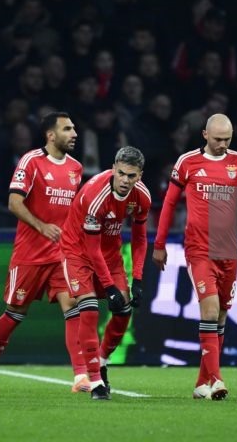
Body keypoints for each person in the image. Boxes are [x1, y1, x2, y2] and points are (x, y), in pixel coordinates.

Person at [153, 114, 237, 401]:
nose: (222, 144)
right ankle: (217, 379)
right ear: (205, 134)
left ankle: (201, 383)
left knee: (219, 317)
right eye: (217, 139)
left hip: (229, 251)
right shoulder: (187, 163)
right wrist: (159, 243)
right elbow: (170, 202)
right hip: (199, 250)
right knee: (209, 311)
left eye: (227, 139)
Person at [0, 112, 86, 393]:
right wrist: (41, 226)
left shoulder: (76, 168)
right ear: (51, 135)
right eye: (67, 129)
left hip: (61, 253)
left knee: (72, 306)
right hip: (30, 253)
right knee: (15, 312)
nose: (74, 134)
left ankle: (81, 377)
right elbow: (13, 202)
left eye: (74, 129)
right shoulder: (31, 161)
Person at [59, 146, 151, 400]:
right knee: (89, 309)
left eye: (131, 176)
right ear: (113, 169)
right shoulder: (95, 195)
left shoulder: (142, 197)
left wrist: (139, 279)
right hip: (78, 252)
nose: (125, 180)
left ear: (139, 176)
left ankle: (100, 361)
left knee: (123, 312)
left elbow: (140, 238)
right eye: (121, 173)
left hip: (110, 255)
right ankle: (96, 381)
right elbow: (91, 248)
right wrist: (110, 287)